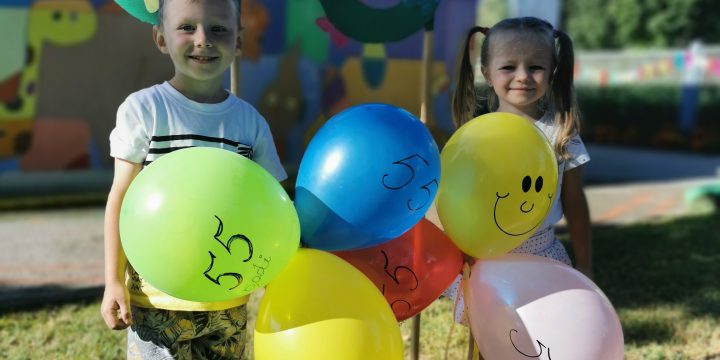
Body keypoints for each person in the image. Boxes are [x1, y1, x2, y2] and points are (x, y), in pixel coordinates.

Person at [100, 0, 286, 358]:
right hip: (156, 302)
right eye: (187, 27)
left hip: (228, 300)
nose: (203, 39)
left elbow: (274, 206)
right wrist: (112, 280)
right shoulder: (145, 110)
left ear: (238, 41)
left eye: (219, 29)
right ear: (160, 38)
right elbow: (120, 198)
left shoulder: (250, 123)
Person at [444, 17, 592, 326]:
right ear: (486, 72)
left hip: (542, 257)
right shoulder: (474, 137)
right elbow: (456, 201)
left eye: (535, 67)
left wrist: (585, 262)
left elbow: (576, 203)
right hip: (485, 263)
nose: (522, 76)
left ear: (552, 74)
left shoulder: (561, 134)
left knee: (541, 338)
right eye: (508, 67)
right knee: (490, 339)